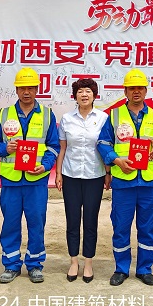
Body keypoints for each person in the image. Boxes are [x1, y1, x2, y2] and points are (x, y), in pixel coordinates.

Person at [0, 67, 59, 284]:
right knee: (10, 223)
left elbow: (53, 146)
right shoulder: (4, 114)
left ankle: (35, 265)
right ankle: (11, 264)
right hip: (11, 180)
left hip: (36, 181)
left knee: (36, 222)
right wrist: (5, 148)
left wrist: (45, 166)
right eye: (22, 88)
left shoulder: (47, 115)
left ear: (37, 89)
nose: (26, 92)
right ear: (16, 90)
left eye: (30, 88)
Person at [97, 68, 153, 287]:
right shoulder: (114, 115)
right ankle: (121, 269)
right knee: (121, 227)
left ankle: (145, 269)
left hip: (148, 182)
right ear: (125, 91)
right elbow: (103, 143)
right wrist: (115, 160)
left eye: (140, 88)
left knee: (147, 227)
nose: (136, 91)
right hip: (123, 182)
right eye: (131, 88)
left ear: (146, 91)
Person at [55, 78, 109, 283]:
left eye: (88, 91)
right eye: (80, 92)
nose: (84, 95)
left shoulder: (103, 118)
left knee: (90, 221)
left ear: (94, 95)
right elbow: (62, 148)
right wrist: (58, 173)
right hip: (71, 175)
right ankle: (73, 261)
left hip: (95, 175)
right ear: (75, 96)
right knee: (72, 220)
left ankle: (88, 262)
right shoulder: (67, 119)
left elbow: (106, 146)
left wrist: (108, 172)